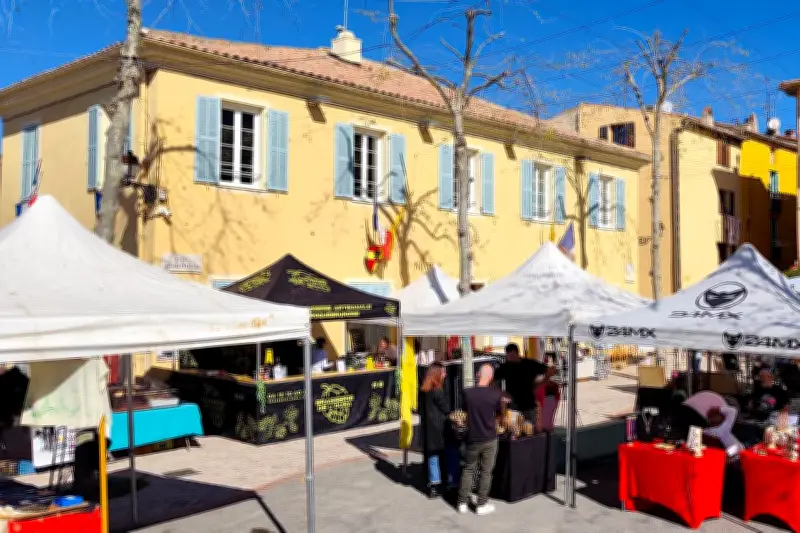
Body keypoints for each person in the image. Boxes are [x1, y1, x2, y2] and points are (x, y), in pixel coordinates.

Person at [457, 364, 508, 516]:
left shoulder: (467, 393)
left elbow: (464, 413)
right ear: (491, 377)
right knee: (486, 472)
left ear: (478, 375)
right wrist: (503, 405)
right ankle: (481, 504)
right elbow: (501, 415)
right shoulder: (496, 395)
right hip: (489, 437)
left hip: (472, 437)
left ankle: (462, 503)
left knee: (468, 469)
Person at [419, 362, 460, 498]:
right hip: (441, 428)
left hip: (429, 429)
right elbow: (446, 410)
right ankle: (452, 483)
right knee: (451, 453)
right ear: (436, 374)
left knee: (433, 456)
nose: (445, 374)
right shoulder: (438, 391)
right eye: (443, 372)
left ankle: (434, 486)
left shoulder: (424, 390)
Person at [495, 343, 541, 423]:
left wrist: (538, 384)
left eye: (512, 356)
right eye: (509, 356)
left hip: (528, 405)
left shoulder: (528, 364)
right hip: (513, 406)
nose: (511, 359)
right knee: (514, 429)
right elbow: (493, 380)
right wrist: (502, 393)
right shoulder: (505, 367)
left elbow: (545, 371)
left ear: (517, 353)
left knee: (530, 429)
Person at [535, 364, 561, 432]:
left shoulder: (554, 385)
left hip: (547, 419)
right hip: (543, 420)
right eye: (550, 370)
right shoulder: (540, 385)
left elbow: (556, 403)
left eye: (553, 371)